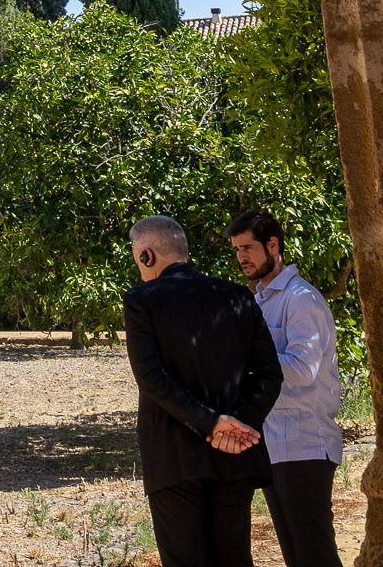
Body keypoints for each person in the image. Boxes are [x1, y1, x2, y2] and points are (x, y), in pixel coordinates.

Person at [122, 213, 283, 567]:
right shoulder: (238, 296)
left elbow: (151, 378)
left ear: (146, 255)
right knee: (234, 557)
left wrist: (212, 424)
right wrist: (240, 426)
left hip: (173, 457)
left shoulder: (141, 300)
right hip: (234, 456)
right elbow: (270, 374)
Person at [230, 210, 345, 567]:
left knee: (315, 555)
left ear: (273, 244)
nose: (242, 257)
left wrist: (249, 358)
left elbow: (304, 369)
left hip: (305, 445)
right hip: (274, 447)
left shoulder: (301, 299)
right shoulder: (261, 300)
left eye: (248, 247)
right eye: (236, 250)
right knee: (297, 557)